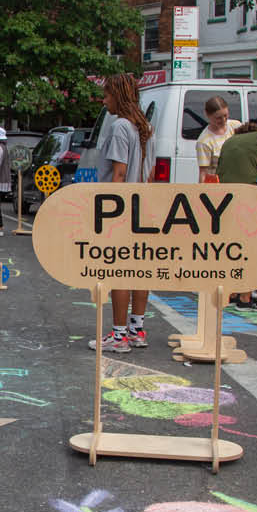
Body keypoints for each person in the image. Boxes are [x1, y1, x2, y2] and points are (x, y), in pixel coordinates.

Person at [90, 73, 153, 352]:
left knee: (119, 270)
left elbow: (119, 173)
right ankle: (137, 329)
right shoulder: (144, 126)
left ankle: (118, 335)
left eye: (106, 95)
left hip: (121, 207)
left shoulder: (119, 127)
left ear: (118, 95)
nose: (104, 102)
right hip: (142, 204)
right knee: (140, 269)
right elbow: (147, 172)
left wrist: (107, 214)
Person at [215, 120, 257, 309]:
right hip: (247, 199)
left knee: (232, 246)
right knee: (249, 247)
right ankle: (245, 297)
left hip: (224, 198)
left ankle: (230, 292)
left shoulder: (231, 141)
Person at [196, 96, 242, 181]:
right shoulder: (204, 141)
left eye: (225, 115)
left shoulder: (236, 126)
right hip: (219, 186)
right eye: (218, 118)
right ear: (208, 115)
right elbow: (203, 173)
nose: (223, 120)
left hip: (238, 182)